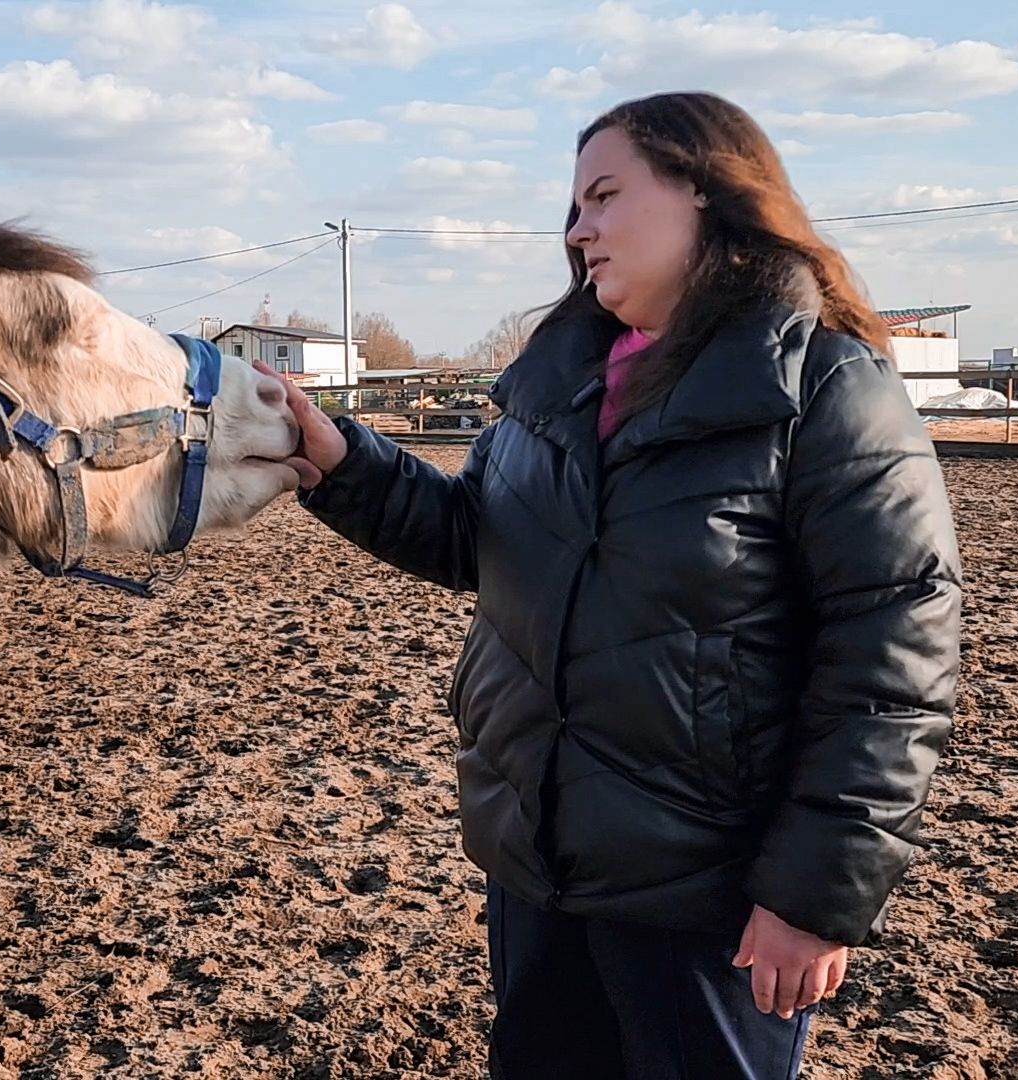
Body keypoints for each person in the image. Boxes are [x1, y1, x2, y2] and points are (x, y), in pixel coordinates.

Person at [273, 91, 962, 1079]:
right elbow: (478, 538)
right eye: (574, 205)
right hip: (539, 869)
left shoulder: (823, 388)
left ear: (707, 191)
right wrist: (343, 463)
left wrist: (814, 896)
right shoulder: (559, 381)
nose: (578, 228)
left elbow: (894, 661)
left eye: (603, 195)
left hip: (710, 897)